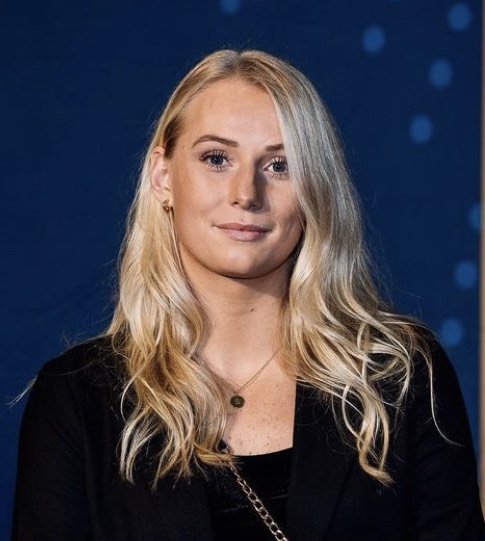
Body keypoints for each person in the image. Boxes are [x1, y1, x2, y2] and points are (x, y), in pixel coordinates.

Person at [11, 49, 485, 541]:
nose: (247, 193)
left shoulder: (400, 377)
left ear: (315, 188)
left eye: (280, 165)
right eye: (217, 159)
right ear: (163, 177)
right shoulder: (77, 399)